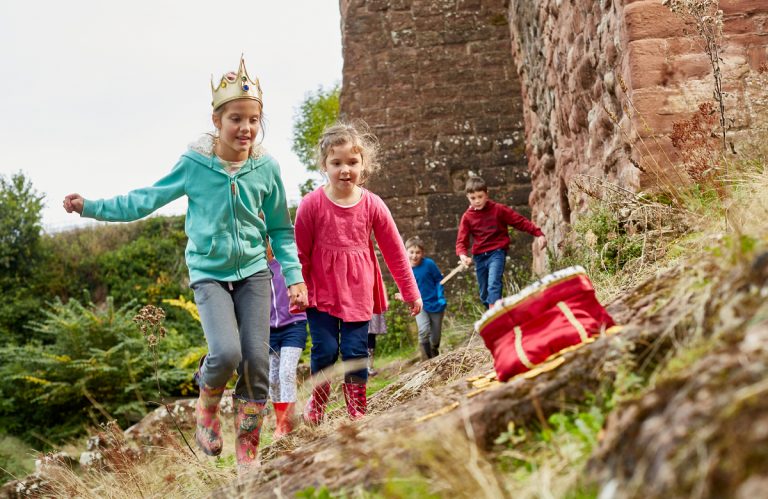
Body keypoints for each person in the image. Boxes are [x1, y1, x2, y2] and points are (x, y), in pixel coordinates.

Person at [62, 56, 308, 473]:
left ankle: (247, 458)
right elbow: (145, 199)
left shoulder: (266, 168)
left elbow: (282, 230)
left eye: (253, 119)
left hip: (253, 270)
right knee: (227, 353)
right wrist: (91, 207)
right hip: (209, 272)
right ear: (217, 119)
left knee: (257, 361)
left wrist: (296, 278)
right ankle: (207, 406)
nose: (246, 129)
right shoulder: (194, 165)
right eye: (236, 119)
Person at [294, 120, 422, 424]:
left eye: (352, 162)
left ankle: (357, 412)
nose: (345, 169)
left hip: (358, 291)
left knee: (355, 351)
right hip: (321, 292)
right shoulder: (311, 205)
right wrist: (297, 287)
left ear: (364, 164)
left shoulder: (373, 205)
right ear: (324, 165)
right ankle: (318, 404)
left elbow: (395, 251)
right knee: (325, 350)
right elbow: (298, 253)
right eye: (336, 163)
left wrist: (410, 291)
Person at [456, 176, 546, 309]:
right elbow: (461, 241)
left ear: (487, 194)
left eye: (480, 196)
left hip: (496, 253)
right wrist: (463, 256)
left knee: (493, 284)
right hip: (479, 257)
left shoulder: (499, 210)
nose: (477, 201)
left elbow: (519, 221)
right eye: (473, 198)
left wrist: (538, 233)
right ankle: (495, 313)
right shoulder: (467, 217)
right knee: (484, 293)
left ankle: (495, 311)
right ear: (468, 198)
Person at [266, 243, 307, 440]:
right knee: (272, 379)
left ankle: (287, 424)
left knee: (286, 372)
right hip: (269, 331)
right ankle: (280, 421)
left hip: (294, 325)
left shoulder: (286, 264)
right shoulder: (254, 271)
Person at [396, 236, 446, 360]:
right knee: (423, 330)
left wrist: (440, 297)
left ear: (422, 253)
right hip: (419, 304)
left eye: (418, 252)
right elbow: (405, 288)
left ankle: (434, 349)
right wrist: (404, 296)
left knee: (435, 336)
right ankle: (427, 359)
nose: (414, 256)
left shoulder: (429, 264)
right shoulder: (404, 269)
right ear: (406, 252)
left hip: (435, 303)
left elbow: (439, 281)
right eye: (411, 252)